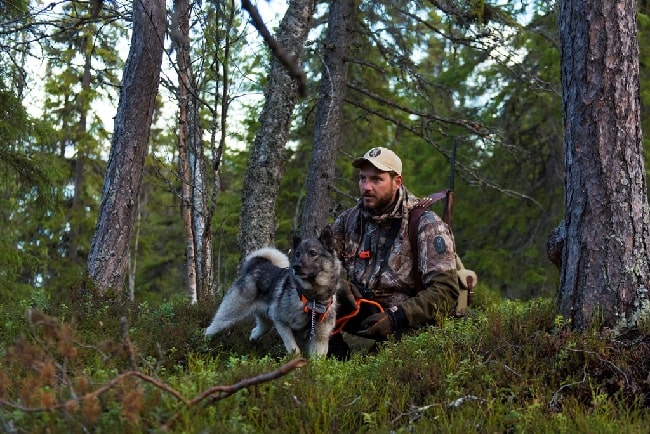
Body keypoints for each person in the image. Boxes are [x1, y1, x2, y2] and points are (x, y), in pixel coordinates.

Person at [329, 146, 460, 356]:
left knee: (376, 372)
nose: (366, 186)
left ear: (397, 182)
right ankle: (334, 359)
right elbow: (317, 266)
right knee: (309, 307)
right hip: (360, 310)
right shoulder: (349, 220)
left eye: (376, 179)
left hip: (407, 321)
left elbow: (445, 290)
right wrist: (340, 285)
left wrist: (395, 318)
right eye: (362, 178)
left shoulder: (425, 224)